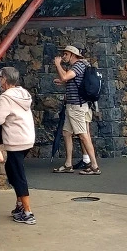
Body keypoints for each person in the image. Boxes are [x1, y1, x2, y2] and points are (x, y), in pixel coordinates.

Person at [0, 66, 36, 225]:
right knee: (12, 170)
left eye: (0, 77)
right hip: (27, 138)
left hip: (15, 141)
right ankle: (20, 205)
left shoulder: (6, 97)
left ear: (4, 79)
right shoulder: (23, 93)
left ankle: (28, 212)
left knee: (18, 175)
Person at [52, 45, 100, 175]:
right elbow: (70, 80)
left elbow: (65, 77)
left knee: (83, 135)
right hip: (73, 106)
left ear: (73, 55)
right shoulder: (79, 66)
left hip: (76, 107)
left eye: (66, 54)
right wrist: (63, 82)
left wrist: (58, 65)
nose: (64, 57)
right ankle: (68, 164)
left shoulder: (78, 65)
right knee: (67, 133)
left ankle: (94, 166)